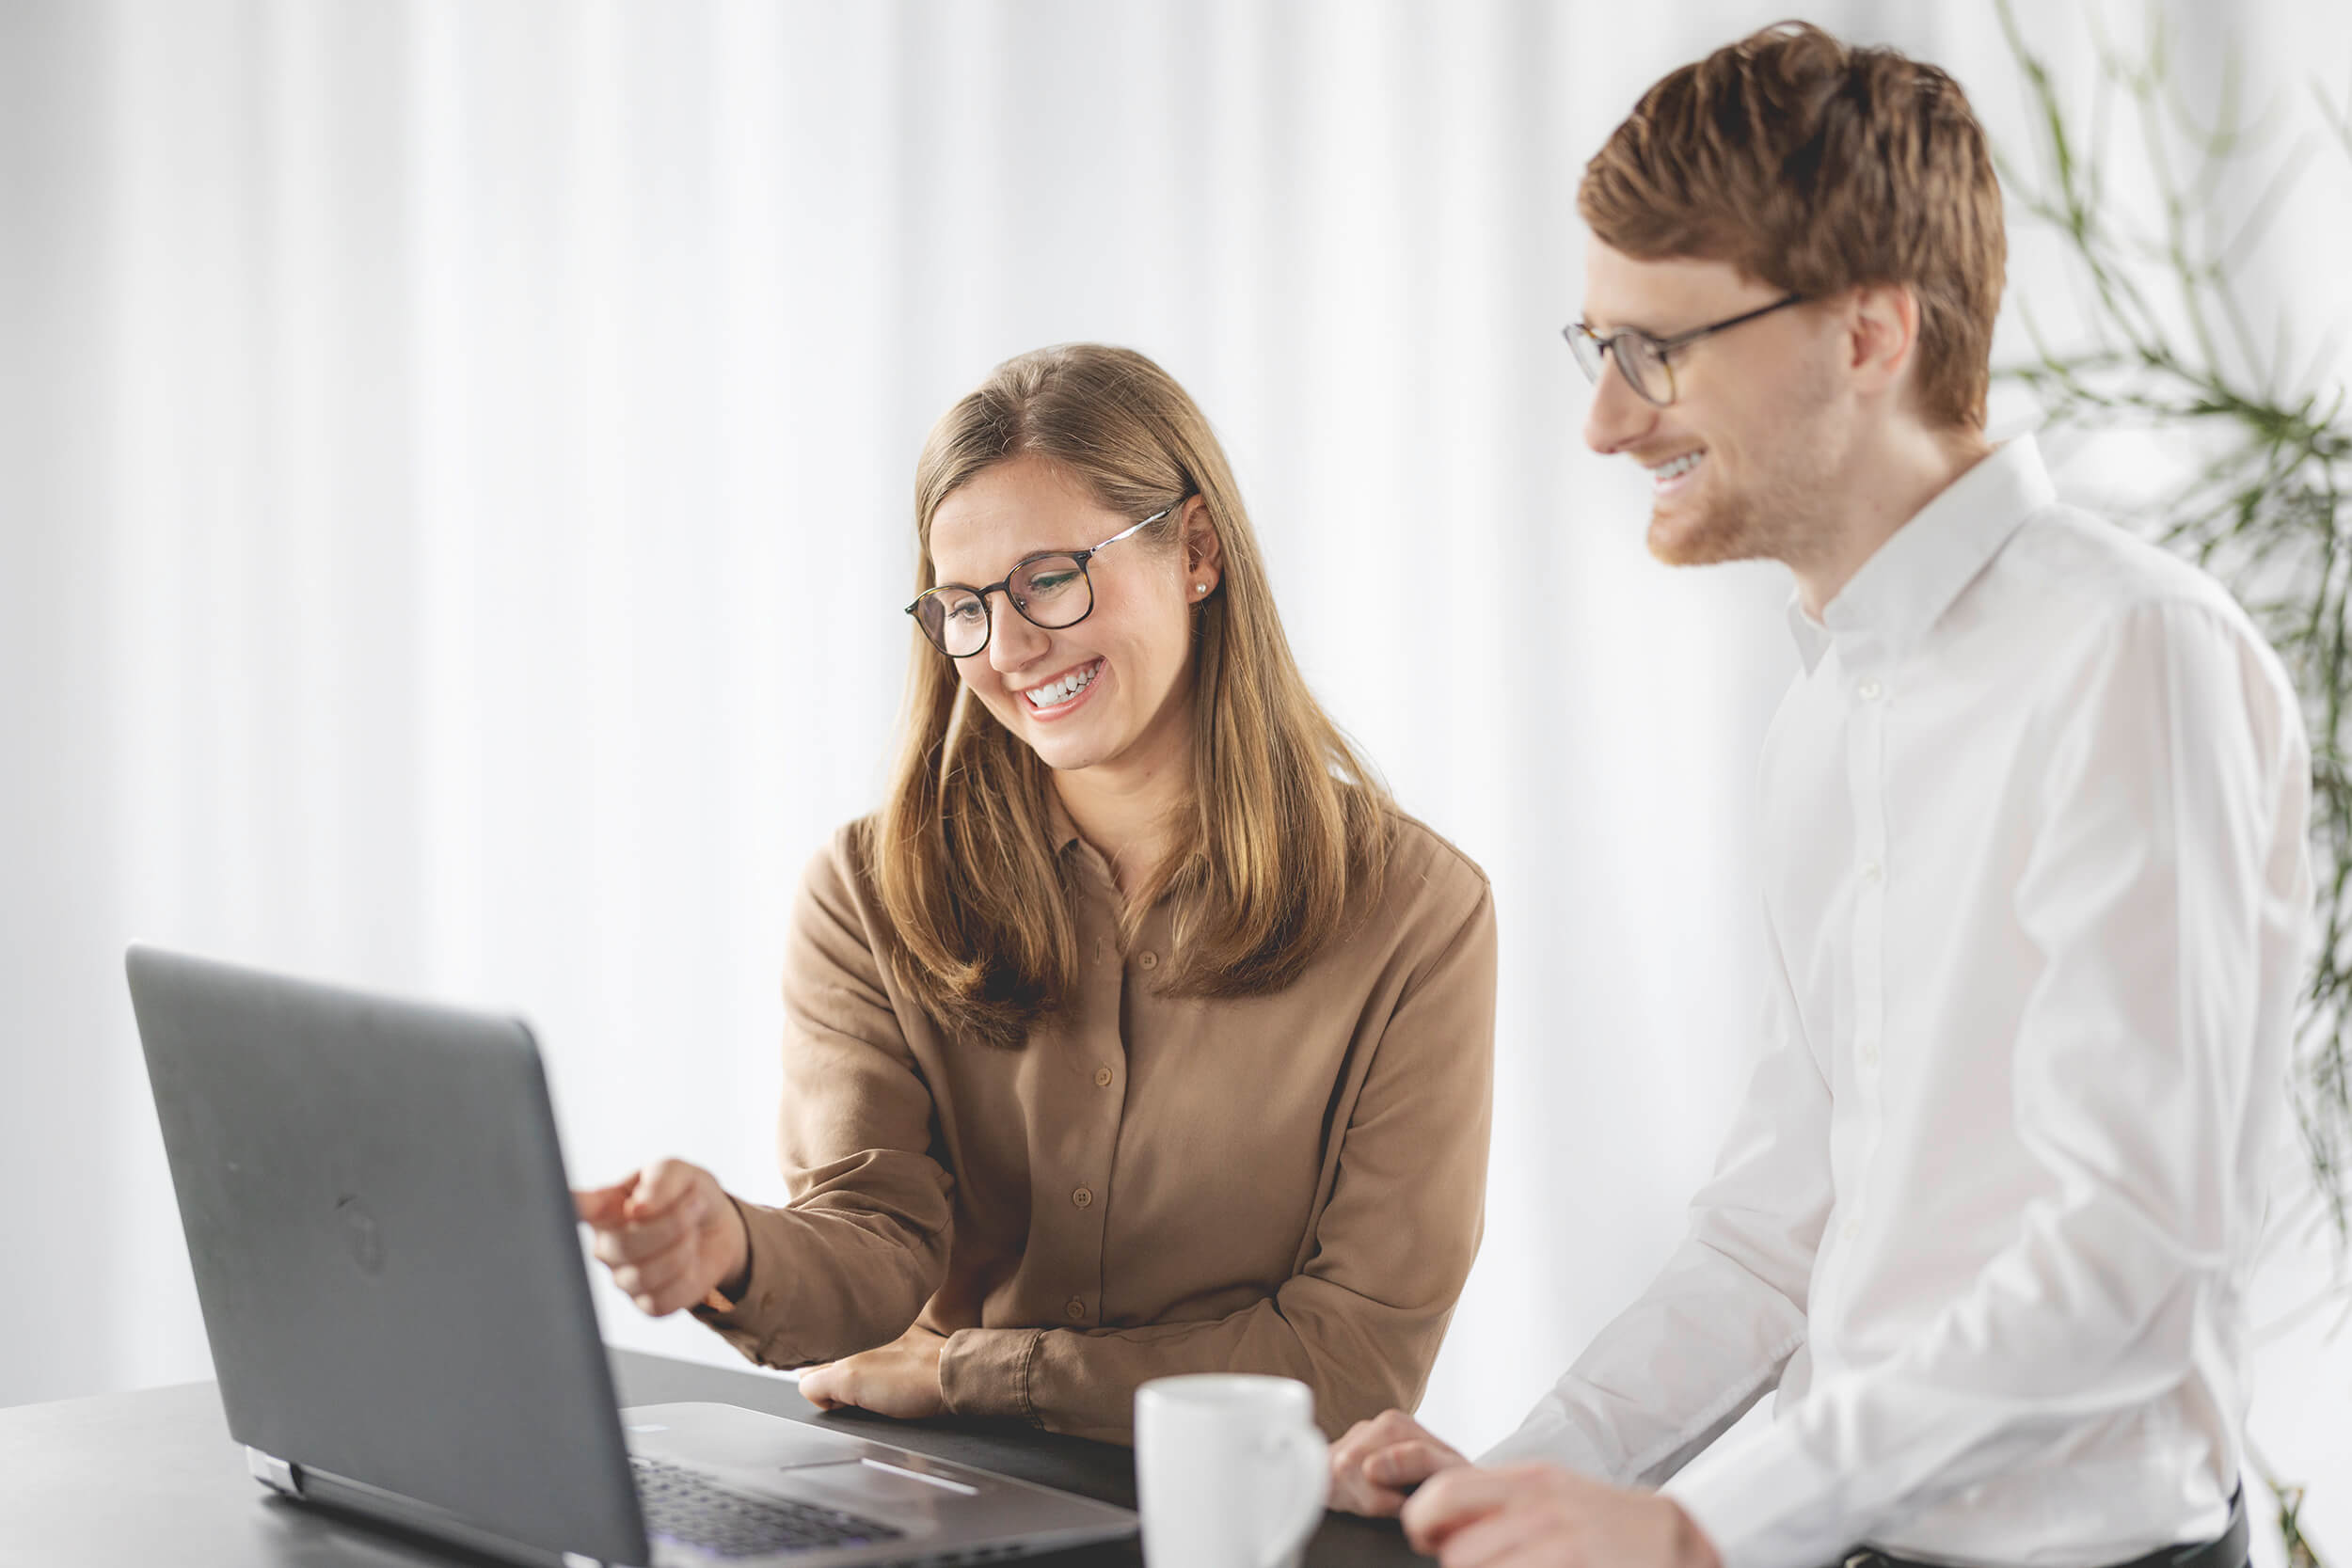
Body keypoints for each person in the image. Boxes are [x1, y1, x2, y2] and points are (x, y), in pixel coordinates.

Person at [1328, 23, 2307, 1568]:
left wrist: (1705, 1523)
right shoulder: (1828, 711)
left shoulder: (2131, 652)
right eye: (1600, 350)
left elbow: (2130, 1256)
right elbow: (1778, 1235)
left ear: (1868, 333)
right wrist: (1526, 1479)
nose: (1606, 419)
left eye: (1658, 350)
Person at [574, 343, 1495, 1445]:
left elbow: (1351, 1358)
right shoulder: (867, 893)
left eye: (1049, 577)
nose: (1007, 648)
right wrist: (729, 1247)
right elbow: (872, 1239)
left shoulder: (1415, 913)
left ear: (1195, 550)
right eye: (962, 605)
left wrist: (981, 1373)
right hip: (938, 1514)